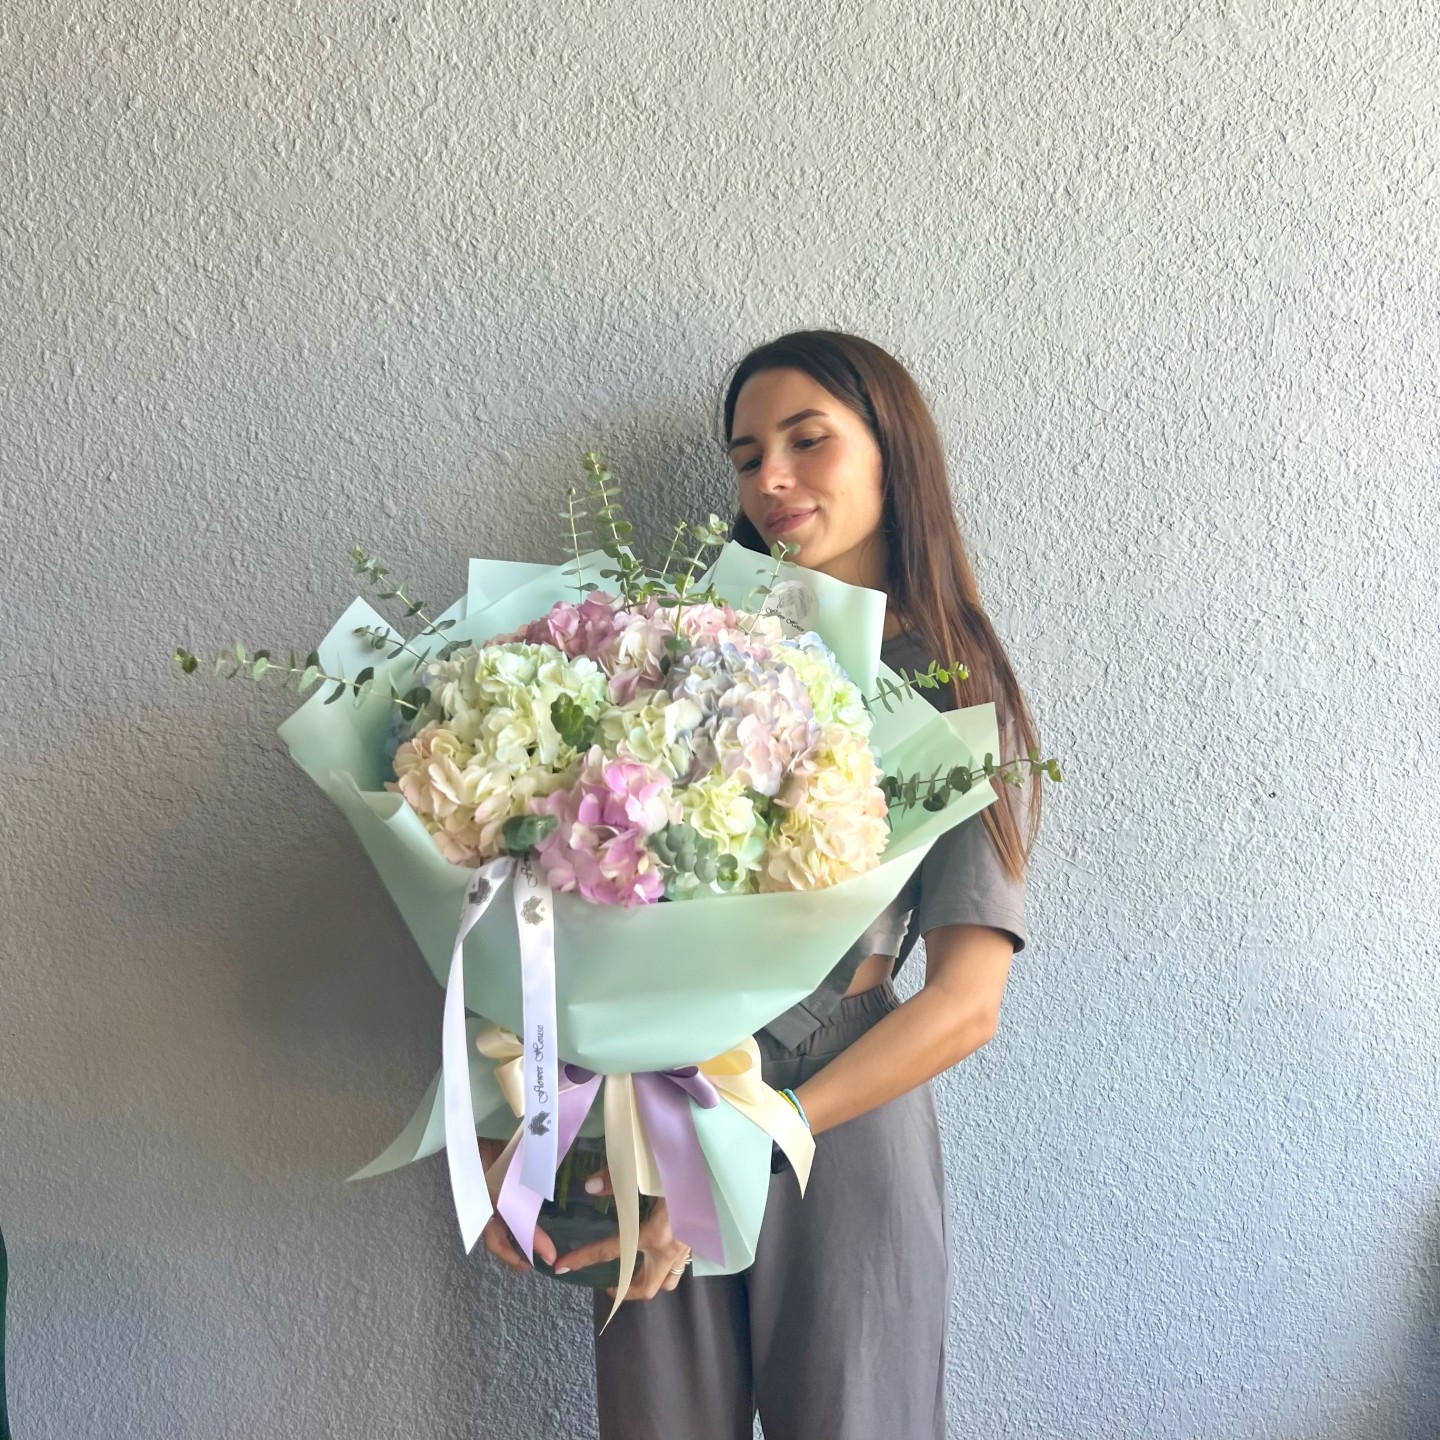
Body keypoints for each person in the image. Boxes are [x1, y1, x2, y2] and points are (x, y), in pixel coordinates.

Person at [480, 329, 1044, 1439]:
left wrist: (764, 1133)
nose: (769, 479)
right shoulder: (680, 660)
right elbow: (595, 907)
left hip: (844, 1119)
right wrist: (546, 1124)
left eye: (806, 439)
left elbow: (967, 1000)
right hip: (667, 1103)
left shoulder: (953, 681)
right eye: (746, 456)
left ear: (893, 452)